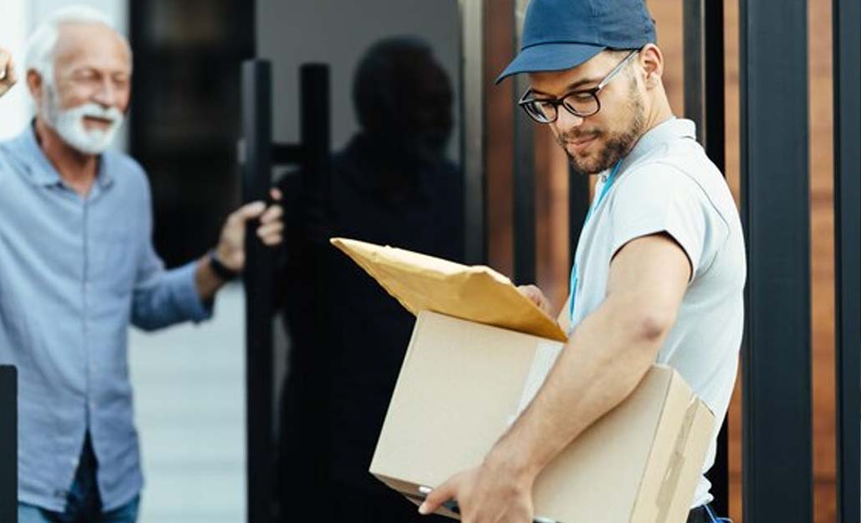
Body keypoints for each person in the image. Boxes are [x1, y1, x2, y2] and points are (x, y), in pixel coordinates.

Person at [0, 7, 284, 523]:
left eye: (120, 81)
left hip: (113, 475)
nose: (107, 97)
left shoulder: (129, 183)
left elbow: (145, 301)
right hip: (21, 477)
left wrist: (221, 262)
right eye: (88, 78)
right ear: (37, 85)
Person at [419, 2, 745, 523]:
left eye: (584, 95)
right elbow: (613, 334)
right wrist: (536, 330)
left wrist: (509, 469)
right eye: (546, 103)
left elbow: (637, 320)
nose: (566, 123)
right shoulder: (624, 180)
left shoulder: (662, 183)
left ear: (649, 66)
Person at [275, 37, 463, 523]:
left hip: (428, 447)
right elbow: (269, 301)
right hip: (328, 448)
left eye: (447, 106)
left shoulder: (456, 193)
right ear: (378, 112)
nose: (444, 121)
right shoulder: (311, 194)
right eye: (427, 106)